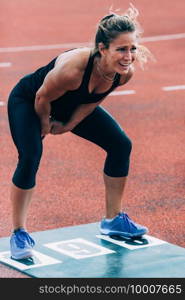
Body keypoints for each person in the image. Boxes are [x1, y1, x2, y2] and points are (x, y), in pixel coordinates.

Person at [8, 5, 152, 259]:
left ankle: (113, 220)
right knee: (31, 156)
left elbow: (92, 100)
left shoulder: (123, 74)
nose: (128, 56)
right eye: (121, 49)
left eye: (132, 48)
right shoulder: (73, 69)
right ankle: (19, 232)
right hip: (30, 101)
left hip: (70, 105)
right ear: (102, 49)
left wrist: (69, 125)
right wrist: (44, 127)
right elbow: (42, 97)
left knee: (120, 145)